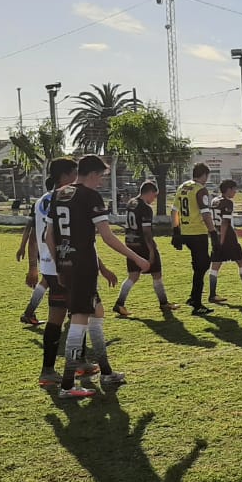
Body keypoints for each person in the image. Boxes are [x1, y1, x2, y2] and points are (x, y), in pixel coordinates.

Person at [46, 154, 149, 399]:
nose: (101, 182)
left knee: (97, 313)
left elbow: (49, 236)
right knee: (80, 319)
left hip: (67, 264)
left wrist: (59, 265)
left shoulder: (58, 194)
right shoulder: (90, 196)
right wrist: (136, 258)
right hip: (83, 266)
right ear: (92, 174)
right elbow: (108, 237)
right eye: (101, 177)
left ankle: (106, 372)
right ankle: (68, 384)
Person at [30, 157, 78, 388]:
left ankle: (56, 368)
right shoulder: (66, 198)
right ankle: (51, 369)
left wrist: (34, 264)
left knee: (68, 315)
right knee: (77, 314)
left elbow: (35, 233)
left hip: (49, 264)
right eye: (74, 173)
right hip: (64, 264)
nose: (76, 178)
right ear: (65, 175)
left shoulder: (42, 200)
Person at [114, 181, 173, 317]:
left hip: (131, 244)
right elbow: (146, 232)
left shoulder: (131, 203)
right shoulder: (146, 208)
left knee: (133, 276)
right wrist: (151, 250)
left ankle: (119, 303)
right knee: (156, 274)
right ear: (150, 192)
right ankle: (163, 303)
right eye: (155, 195)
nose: (155, 199)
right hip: (143, 245)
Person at [207, 179, 242, 301]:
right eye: (234, 189)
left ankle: (212, 294)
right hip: (227, 238)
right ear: (228, 189)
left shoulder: (214, 201)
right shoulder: (228, 203)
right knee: (241, 261)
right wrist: (223, 241)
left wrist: (233, 232)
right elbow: (225, 223)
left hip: (216, 235)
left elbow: (216, 221)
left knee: (215, 264)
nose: (235, 192)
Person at [174, 163, 215, 314]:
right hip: (198, 232)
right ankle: (197, 304)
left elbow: (174, 211)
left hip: (185, 232)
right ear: (204, 175)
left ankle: (193, 297)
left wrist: (175, 231)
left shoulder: (182, 187)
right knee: (202, 266)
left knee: (199, 266)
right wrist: (213, 232)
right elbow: (205, 214)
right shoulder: (200, 189)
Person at [15, 190, 48, 325]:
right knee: (51, 280)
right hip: (51, 248)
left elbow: (29, 227)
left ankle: (29, 313)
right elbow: (32, 231)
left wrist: (22, 246)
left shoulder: (39, 203)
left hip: (42, 247)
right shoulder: (56, 202)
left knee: (48, 280)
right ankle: (29, 313)